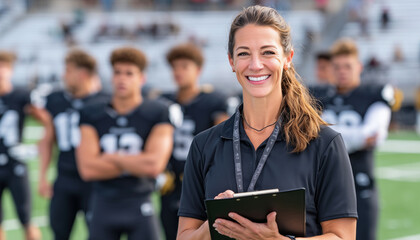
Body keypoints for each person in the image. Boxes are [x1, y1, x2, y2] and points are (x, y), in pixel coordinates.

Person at [177, 5, 357, 240]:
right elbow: (184, 237)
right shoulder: (203, 145)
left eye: (267, 52)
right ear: (232, 61)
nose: (255, 65)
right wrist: (213, 224)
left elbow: (343, 237)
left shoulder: (324, 143)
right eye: (243, 53)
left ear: (287, 58)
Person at [76, 47, 175, 240]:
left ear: (142, 78)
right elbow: (88, 169)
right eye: (117, 73)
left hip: (139, 201)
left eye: (129, 73)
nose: (122, 78)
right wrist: (136, 163)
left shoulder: (157, 112)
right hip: (103, 202)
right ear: (111, 76)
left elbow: (154, 166)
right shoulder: (92, 113)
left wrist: (112, 158)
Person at [320, 38, 396, 240]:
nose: (342, 71)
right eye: (336, 67)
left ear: (359, 67)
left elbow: (372, 136)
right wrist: (354, 137)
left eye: (347, 66)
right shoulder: (317, 97)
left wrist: (325, 138)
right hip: (323, 188)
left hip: (360, 185)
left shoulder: (372, 95)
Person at [159, 43, 230, 240]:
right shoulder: (163, 102)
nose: (178, 72)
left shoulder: (213, 101)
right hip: (170, 182)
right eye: (174, 67)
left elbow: (223, 144)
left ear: (197, 69)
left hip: (200, 180)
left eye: (184, 66)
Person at [37, 49, 109, 240]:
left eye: (68, 70)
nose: (63, 75)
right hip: (64, 177)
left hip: (94, 181)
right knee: (58, 232)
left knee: (98, 233)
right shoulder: (55, 100)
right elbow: (48, 139)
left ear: (82, 74)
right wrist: (43, 176)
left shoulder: (104, 102)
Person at [0, 51, 43, 240]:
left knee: (26, 218)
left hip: (15, 163)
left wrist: (35, 148)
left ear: (10, 70)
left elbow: (49, 121)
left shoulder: (21, 96)